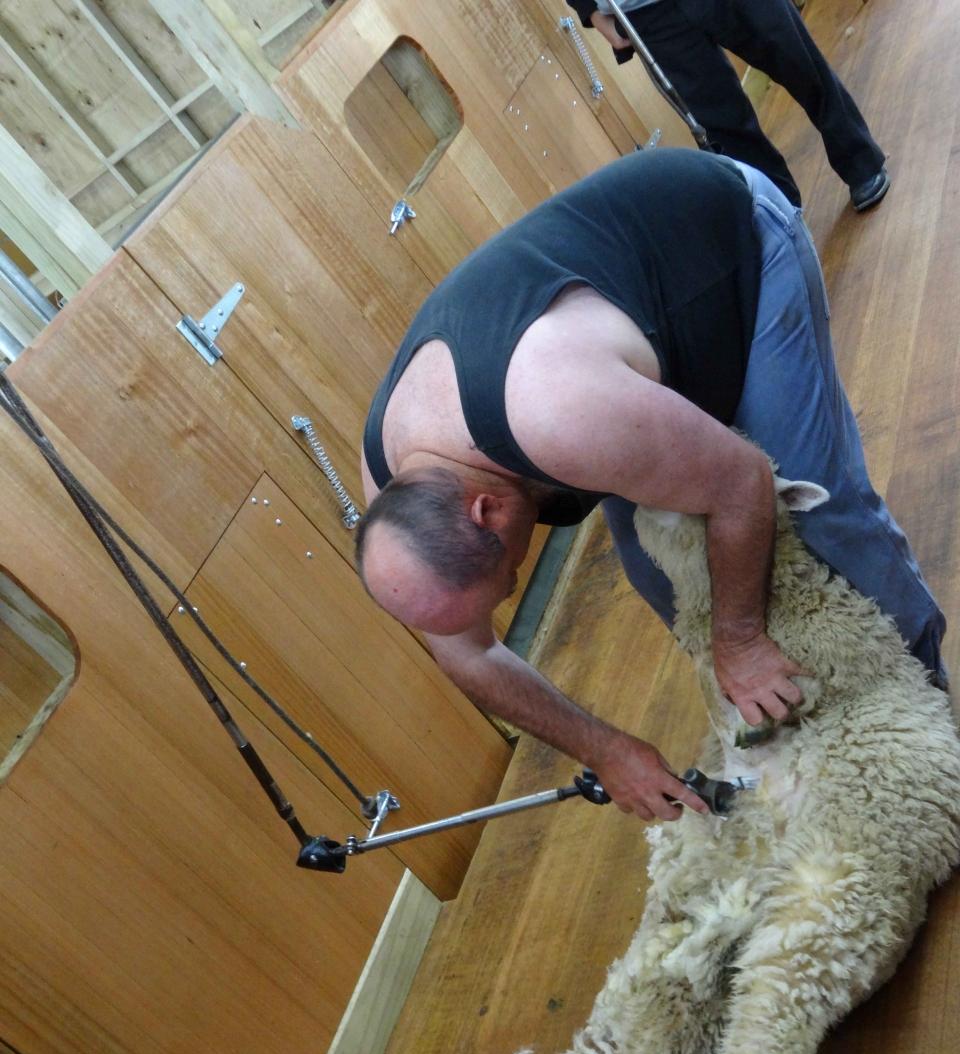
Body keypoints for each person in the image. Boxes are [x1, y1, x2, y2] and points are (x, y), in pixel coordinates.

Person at [355, 148, 943, 821]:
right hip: (613, 365)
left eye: (508, 577)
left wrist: (740, 640)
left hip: (726, 253)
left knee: (819, 516)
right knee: (665, 577)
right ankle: (810, 727)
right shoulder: (394, 501)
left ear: (484, 510)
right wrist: (603, 748)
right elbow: (469, 654)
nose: (514, 582)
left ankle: (921, 708)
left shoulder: (558, 413)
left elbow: (742, 482)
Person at [567, 0, 889, 212]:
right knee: (721, 125)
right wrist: (588, 9)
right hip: (646, 12)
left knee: (797, 59)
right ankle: (781, 215)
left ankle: (859, 161)